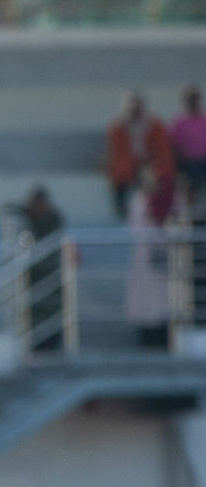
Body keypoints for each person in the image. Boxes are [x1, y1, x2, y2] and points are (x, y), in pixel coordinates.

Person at [7, 186, 65, 352]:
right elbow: (8, 208)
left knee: (52, 317)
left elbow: (45, 234)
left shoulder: (53, 218)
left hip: (50, 275)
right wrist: (27, 211)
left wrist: (29, 213)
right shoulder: (30, 216)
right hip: (34, 277)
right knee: (34, 317)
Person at [106, 91, 175, 222]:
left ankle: (152, 214)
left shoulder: (153, 124)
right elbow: (116, 152)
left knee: (156, 180)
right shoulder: (118, 126)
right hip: (126, 168)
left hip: (149, 165)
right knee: (120, 184)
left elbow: (160, 149)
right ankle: (123, 215)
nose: (135, 110)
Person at [126, 170, 174, 350]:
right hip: (145, 261)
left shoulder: (173, 200)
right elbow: (137, 230)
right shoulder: (140, 201)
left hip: (169, 262)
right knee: (145, 306)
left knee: (167, 303)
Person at [174, 84, 206, 196]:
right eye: (190, 99)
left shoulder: (204, 120)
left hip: (204, 163)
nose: (193, 102)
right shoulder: (180, 122)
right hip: (188, 165)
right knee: (190, 195)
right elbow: (175, 146)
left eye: (195, 98)